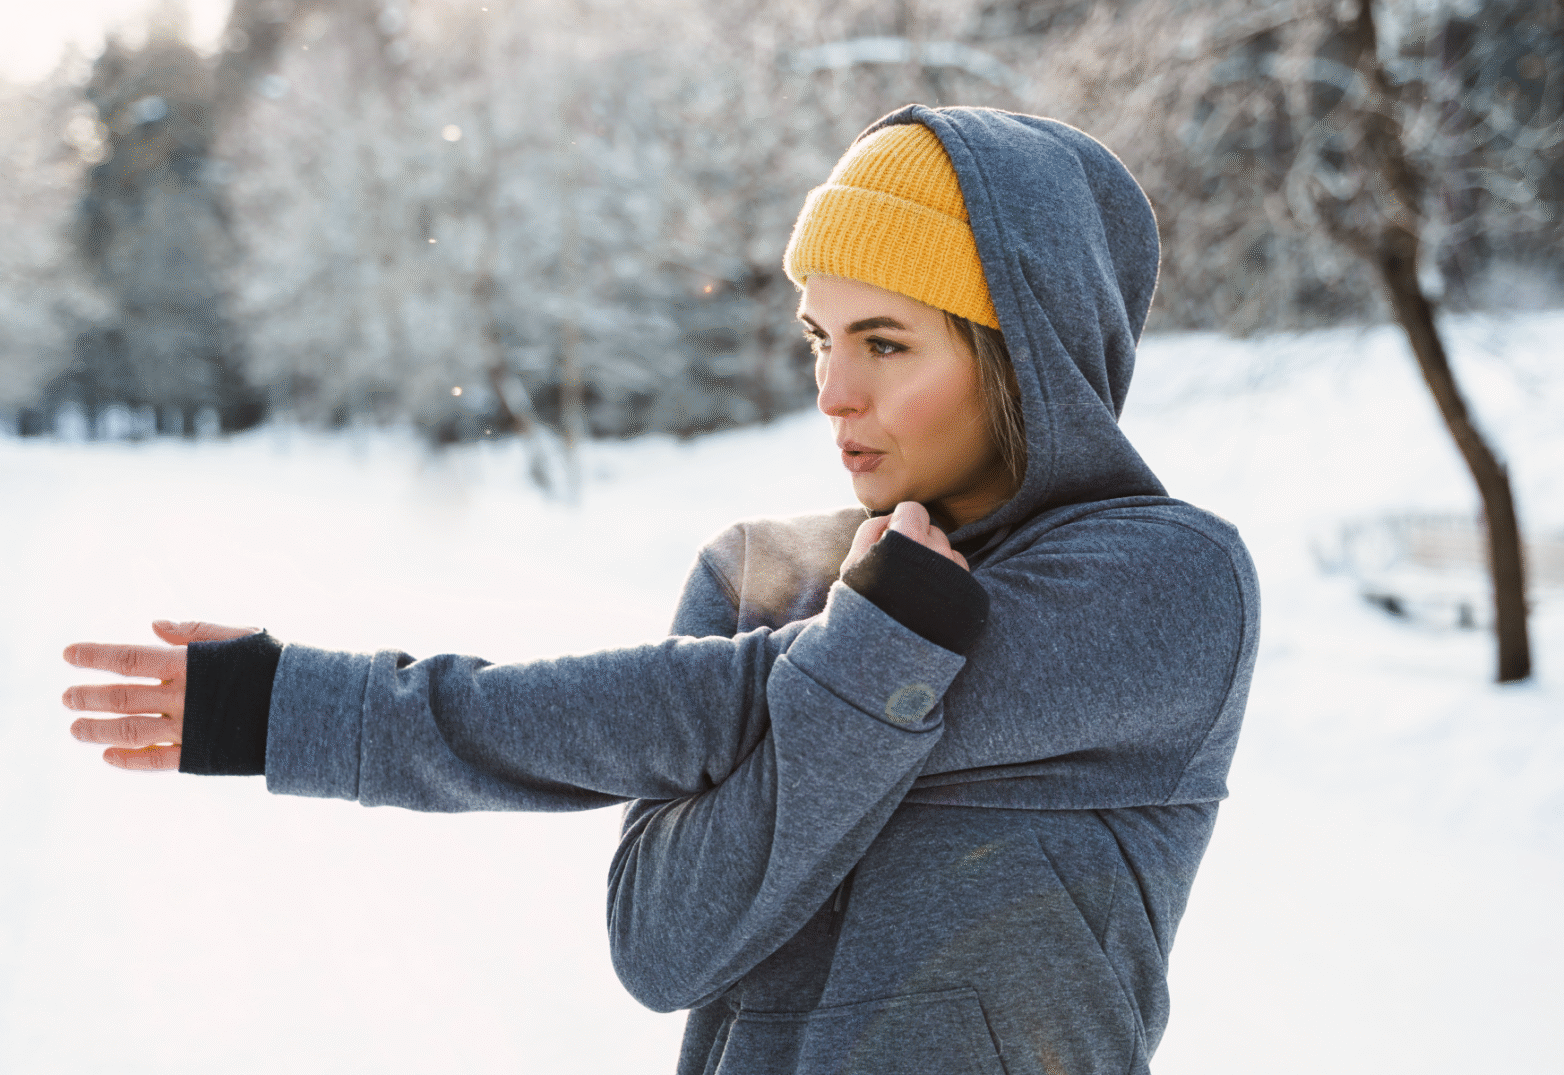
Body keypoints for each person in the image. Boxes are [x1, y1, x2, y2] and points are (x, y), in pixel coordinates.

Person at [63, 104, 1259, 1075]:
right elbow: (661, 949)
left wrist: (316, 710)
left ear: (1026, 357)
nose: (832, 391)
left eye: (885, 342)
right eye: (819, 337)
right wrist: (875, 643)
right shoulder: (760, 576)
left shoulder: (1165, 583)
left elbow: (710, 705)